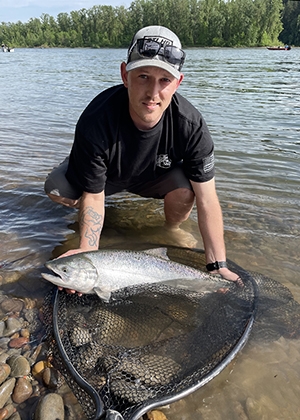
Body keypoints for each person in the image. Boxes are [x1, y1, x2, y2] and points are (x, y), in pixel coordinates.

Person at [45, 25, 241, 290]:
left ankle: (171, 229)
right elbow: (93, 195)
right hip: (109, 178)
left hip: (155, 177)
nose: (152, 93)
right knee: (57, 186)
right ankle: (83, 183)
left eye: (164, 81)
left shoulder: (190, 124)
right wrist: (86, 255)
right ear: (125, 75)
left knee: (188, 190)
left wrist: (218, 266)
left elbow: (207, 200)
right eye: (144, 77)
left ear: (178, 83)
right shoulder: (96, 119)